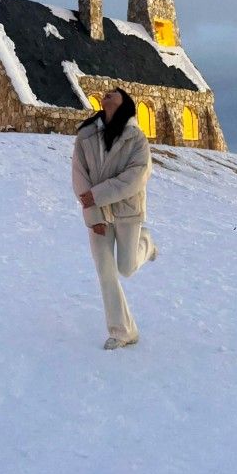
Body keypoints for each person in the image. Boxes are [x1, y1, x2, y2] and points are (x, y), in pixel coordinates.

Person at [72, 87, 158, 350]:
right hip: (98, 215)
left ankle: (147, 244)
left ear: (126, 103)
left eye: (114, 93)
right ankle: (122, 331)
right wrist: (92, 215)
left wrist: (96, 195)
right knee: (106, 273)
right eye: (106, 92)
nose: (107, 94)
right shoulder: (86, 134)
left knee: (126, 267)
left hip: (127, 212)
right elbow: (79, 174)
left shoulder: (137, 139)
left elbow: (135, 178)